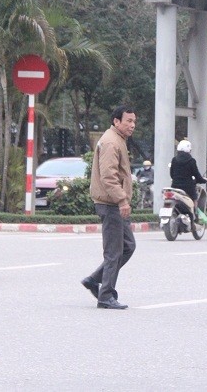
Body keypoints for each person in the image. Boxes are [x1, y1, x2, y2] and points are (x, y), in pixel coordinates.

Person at [82, 105, 137, 310]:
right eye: (128, 121)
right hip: (111, 204)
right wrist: (122, 200)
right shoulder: (111, 142)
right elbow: (108, 176)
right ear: (116, 121)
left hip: (113, 203)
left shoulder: (117, 140)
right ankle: (105, 295)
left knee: (128, 246)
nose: (132, 125)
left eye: (133, 121)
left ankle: (94, 279)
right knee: (114, 251)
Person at [170, 140, 207, 224]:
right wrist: (203, 180)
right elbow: (197, 176)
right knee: (194, 198)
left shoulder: (174, 160)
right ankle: (195, 216)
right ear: (188, 150)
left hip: (175, 186)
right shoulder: (191, 161)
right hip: (188, 187)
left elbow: (172, 174)